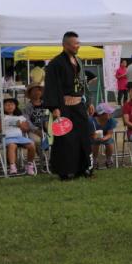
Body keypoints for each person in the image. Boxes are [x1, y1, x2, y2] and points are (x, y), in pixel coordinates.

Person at [44, 31, 94, 181]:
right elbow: (51, 86)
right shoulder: (55, 64)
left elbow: (83, 83)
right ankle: (64, 172)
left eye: (78, 43)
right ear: (66, 45)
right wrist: (54, 108)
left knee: (83, 136)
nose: (78, 46)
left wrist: (89, 102)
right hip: (63, 106)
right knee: (65, 139)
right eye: (75, 44)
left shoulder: (78, 61)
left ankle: (82, 168)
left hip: (79, 105)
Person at [0, 96, 37, 175]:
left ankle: (29, 165)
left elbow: (26, 129)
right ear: (3, 107)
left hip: (19, 137)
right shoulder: (1, 117)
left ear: (15, 106)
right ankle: (12, 166)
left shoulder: (20, 117)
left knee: (31, 145)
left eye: (11, 104)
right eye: (7, 105)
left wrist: (21, 125)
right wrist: (2, 123)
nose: (9, 106)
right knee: (12, 145)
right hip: (8, 137)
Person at [90, 102, 117, 169]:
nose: (110, 114)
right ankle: (94, 160)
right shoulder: (91, 121)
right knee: (95, 143)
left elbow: (110, 134)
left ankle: (108, 159)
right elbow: (90, 134)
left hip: (106, 136)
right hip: (94, 136)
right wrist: (95, 137)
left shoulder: (111, 120)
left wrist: (104, 138)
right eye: (108, 113)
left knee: (109, 142)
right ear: (101, 114)